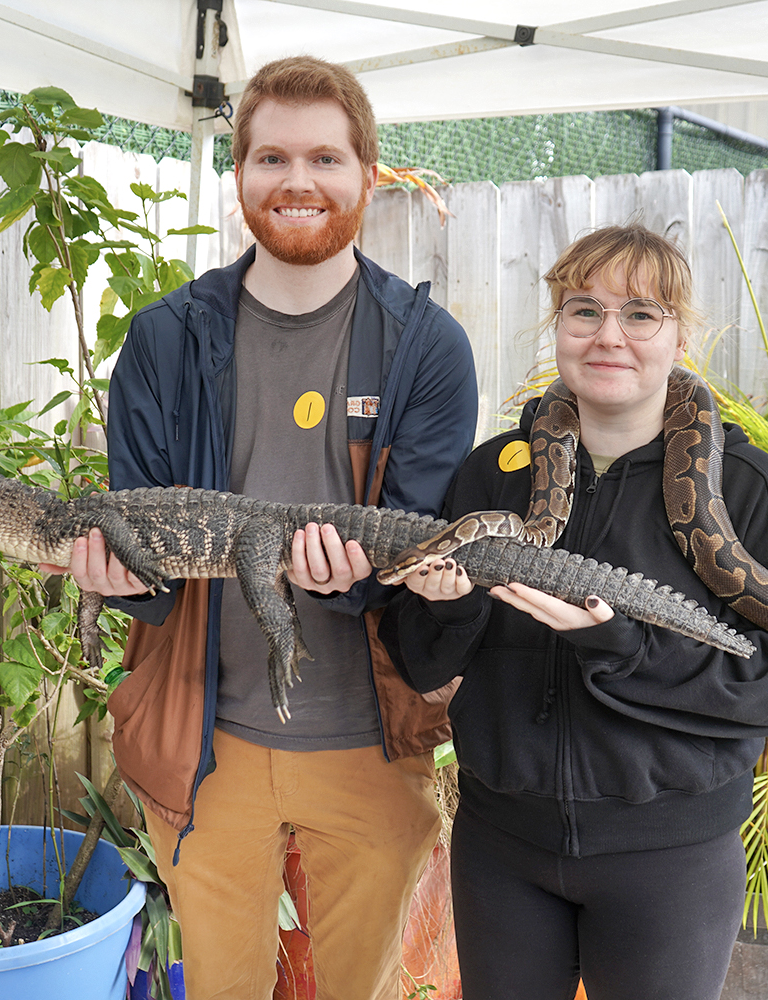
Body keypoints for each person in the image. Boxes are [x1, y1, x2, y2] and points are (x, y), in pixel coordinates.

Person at [41, 56, 478, 1000]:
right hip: (206, 749)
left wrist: (351, 577)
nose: (298, 182)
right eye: (271, 156)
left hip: (372, 744)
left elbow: (422, 542)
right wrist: (114, 577)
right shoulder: (165, 339)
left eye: (326, 157)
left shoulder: (426, 347)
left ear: (369, 173)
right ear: (237, 174)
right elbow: (148, 552)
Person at [380, 224, 768, 1000]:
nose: (609, 335)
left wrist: (619, 643)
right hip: (502, 845)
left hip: (669, 857)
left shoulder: (747, 487)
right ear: (559, 327)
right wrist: (446, 610)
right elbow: (420, 663)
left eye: (640, 313)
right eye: (584, 311)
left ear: (681, 335)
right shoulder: (492, 473)